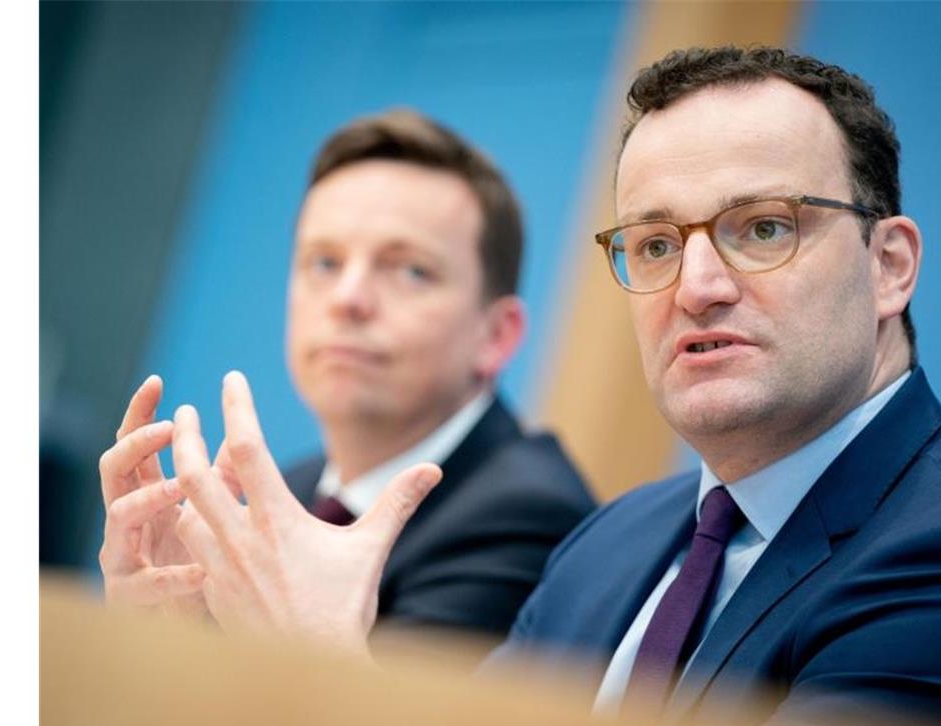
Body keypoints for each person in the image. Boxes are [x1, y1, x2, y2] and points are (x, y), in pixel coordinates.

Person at [129, 46, 941, 726]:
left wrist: (326, 671)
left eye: (762, 228)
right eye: (654, 244)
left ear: (889, 266)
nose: (697, 286)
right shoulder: (609, 544)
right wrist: (180, 658)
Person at [96, 110, 596, 646]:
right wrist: (171, 634)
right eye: (324, 262)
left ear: (496, 335)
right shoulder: (295, 490)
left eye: (411, 270)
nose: (347, 298)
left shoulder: (525, 517)